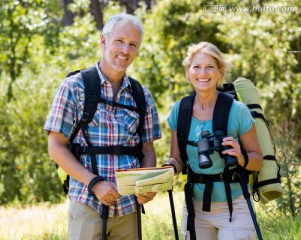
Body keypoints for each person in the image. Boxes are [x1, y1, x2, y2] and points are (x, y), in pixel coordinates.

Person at [44, 13, 161, 240]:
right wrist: (95, 183)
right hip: (87, 202)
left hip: (129, 208)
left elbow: (147, 151)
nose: (125, 50)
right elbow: (55, 147)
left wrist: (146, 186)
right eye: (119, 41)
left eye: (132, 44)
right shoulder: (74, 87)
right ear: (103, 41)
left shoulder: (142, 96)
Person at [163, 42, 263, 240]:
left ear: (220, 72)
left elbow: (258, 160)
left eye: (210, 67)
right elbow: (176, 159)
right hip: (195, 207)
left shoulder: (237, 111)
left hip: (235, 205)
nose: (203, 73)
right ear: (188, 71)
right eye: (197, 67)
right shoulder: (180, 110)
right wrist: (166, 169)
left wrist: (241, 157)